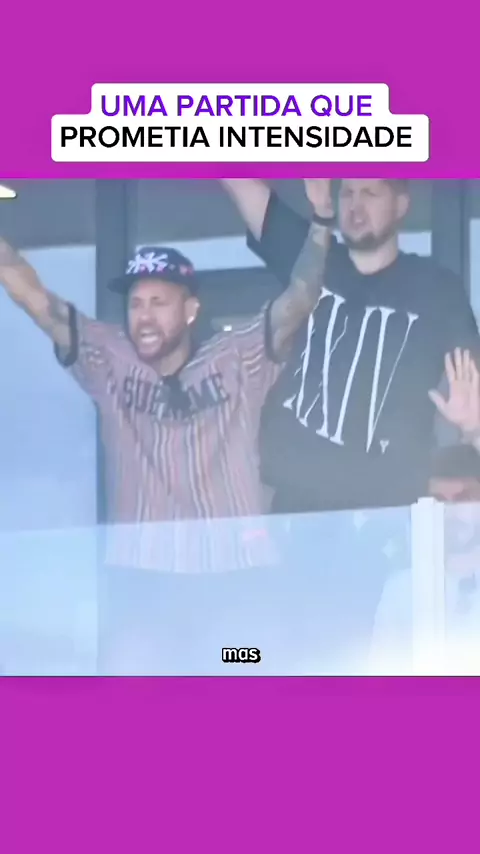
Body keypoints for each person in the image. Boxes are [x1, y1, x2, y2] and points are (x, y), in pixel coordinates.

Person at [0, 192, 332, 673]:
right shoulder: (109, 358)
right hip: (145, 583)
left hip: (237, 578)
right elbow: (31, 295)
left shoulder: (237, 358)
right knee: (132, 683)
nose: (144, 316)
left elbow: (301, 298)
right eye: (136, 304)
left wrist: (322, 218)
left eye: (159, 302)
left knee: (245, 671)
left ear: (190, 310)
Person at [223, 178, 480, 513]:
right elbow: (237, 180)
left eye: (370, 193)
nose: (356, 205)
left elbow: (471, 390)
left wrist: (473, 427)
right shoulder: (314, 258)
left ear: (401, 205)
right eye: (347, 193)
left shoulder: (436, 289)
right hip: (295, 510)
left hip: (389, 513)